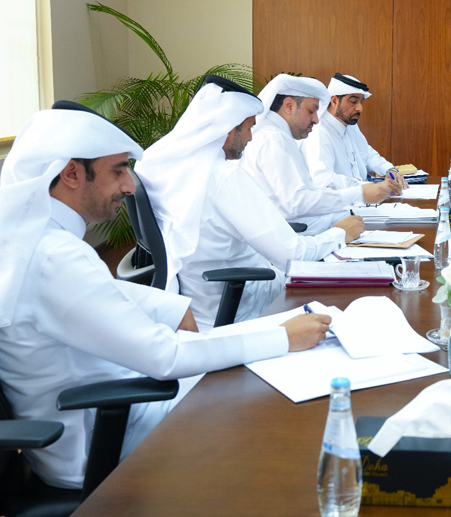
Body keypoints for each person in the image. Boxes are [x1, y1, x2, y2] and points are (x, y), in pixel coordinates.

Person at [0, 103, 331, 490]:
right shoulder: (54, 257)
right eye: (118, 170)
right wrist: (283, 338)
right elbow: (166, 355)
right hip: (102, 439)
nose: (128, 185)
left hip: (114, 407)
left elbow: (89, 294)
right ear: (72, 173)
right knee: (272, 402)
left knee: (255, 371)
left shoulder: (34, 241)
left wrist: (171, 305)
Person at [136, 76, 363, 330]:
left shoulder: (182, 173)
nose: (251, 138)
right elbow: (293, 256)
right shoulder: (223, 177)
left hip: (204, 302)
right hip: (249, 304)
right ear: (228, 129)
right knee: (353, 299)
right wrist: (340, 233)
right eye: (248, 129)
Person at [240, 73, 400, 234]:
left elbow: (307, 193)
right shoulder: (274, 139)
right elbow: (297, 202)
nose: (316, 120)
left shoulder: (280, 136)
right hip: (291, 236)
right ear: (289, 106)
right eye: (311, 111)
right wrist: (359, 194)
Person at [301, 73, 407, 189]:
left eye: (361, 102)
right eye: (353, 102)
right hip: (340, 204)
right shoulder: (318, 133)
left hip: (363, 201)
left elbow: (368, 155)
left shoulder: (350, 127)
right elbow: (324, 180)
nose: (360, 108)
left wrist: (390, 170)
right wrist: (367, 188)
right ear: (334, 101)